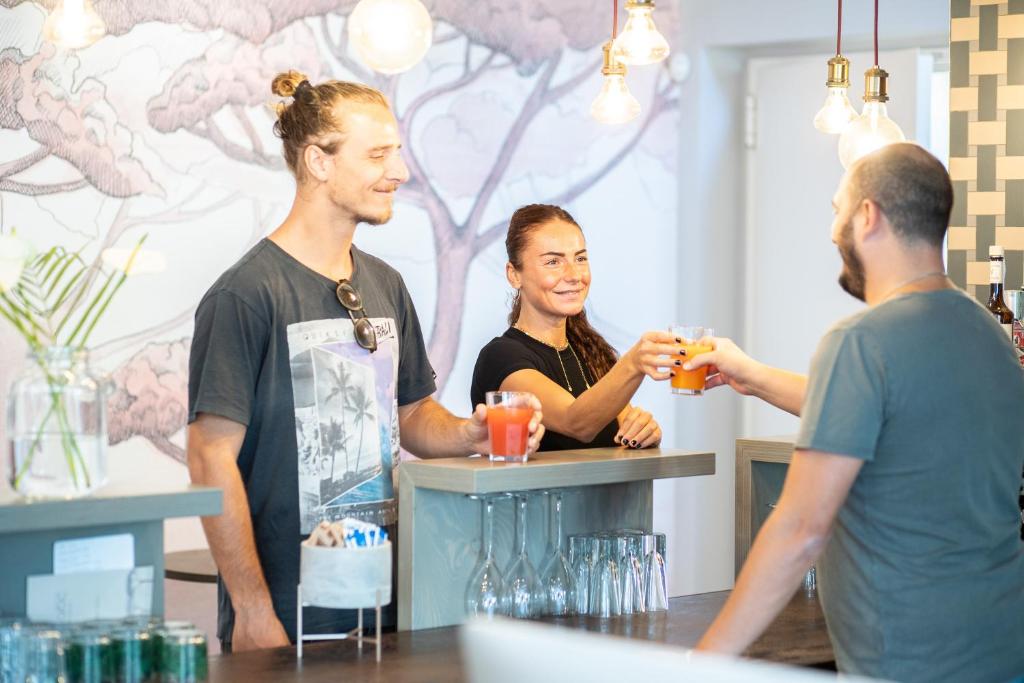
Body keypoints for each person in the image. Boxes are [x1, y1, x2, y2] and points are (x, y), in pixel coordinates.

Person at [186, 71, 544, 652]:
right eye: (378, 155)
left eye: (396, 154)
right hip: (287, 620)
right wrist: (252, 611)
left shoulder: (386, 284)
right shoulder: (246, 294)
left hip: (386, 607)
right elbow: (209, 459)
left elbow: (413, 417)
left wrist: (472, 433)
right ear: (319, 162)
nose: (398, 172)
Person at [690, 143, 1024, 682]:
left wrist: (699, 665)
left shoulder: (860, 341)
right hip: (1005, 651)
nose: (831, 231)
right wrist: (750, 374)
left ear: (867, 216)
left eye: (836, 209)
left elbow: (799, 530)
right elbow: (895, 415)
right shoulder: (989, 337)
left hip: (909, 665)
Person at [470, 204, 678, 451]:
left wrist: (644, 431)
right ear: (514, 275)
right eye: (553, 262)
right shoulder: (501, 357)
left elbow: (622, 431)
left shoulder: (592, 351)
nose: (574, 275)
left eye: (580, 258)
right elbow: (577, 422)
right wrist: (633, 363)